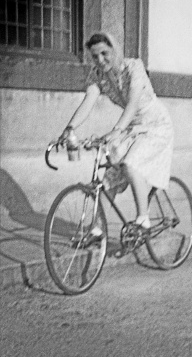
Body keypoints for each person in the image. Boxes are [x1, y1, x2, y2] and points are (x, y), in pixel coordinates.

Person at [59, 32, 174, 238]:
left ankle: (143, 220)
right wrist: (70, 128)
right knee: (110, 178)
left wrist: (117, 130)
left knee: (131, 164)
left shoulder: (133, 67)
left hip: (155, 125)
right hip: (131, 127)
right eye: (95, 56)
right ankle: (96, 228)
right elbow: (88, 101)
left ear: (114, 50)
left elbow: (132, 103)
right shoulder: (98, 75)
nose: (100, 60)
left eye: (105, 53)